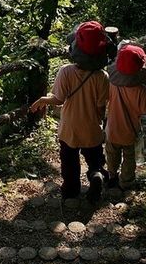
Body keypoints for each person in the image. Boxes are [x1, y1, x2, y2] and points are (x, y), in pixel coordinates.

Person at [30, 21, 111, 202]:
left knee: (69, 161)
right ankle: (96, 174)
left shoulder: (65, 72)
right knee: (95, 159)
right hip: (91, 129)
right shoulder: (102, 77)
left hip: (70, 129)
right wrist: (99, 121)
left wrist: (44, 99)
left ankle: (71, 191)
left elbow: (58, 99)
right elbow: (101, 106)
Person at [104, 43, 146, 189]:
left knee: (112, 154)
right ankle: (126, 182)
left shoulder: (111, 84)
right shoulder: (141, 90)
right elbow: (145, 110)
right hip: (130, 131)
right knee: (129, 157)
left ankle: (112, 176)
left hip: (111, 129)